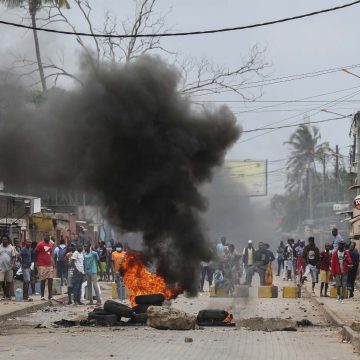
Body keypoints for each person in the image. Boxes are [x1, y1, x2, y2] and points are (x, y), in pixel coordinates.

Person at [35, 232, 55, 300]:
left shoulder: (50, 244)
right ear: (44, 236)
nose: (47, 237)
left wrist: (53, 262)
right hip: (42, 265)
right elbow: (35, 252)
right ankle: (42, 296)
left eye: (48, 236)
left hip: (49, 265)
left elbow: (51, 253)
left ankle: (50, 295)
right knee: (43, 280)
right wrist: (36, 262)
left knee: (50, 280)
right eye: (46, 236)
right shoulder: (40, 244)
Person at [0, 235, 15, 300]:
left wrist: (13, 264)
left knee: (8, 281)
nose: (4, 241)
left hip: (9, 267)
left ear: (8, 240)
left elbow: (14, 256)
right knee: (1, 280)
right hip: (1, 267)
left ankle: (7, 294)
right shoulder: (0, 247)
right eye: (3, 239)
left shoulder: (11, 248)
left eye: (6, 239)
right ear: (2, 240)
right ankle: (5, 293)